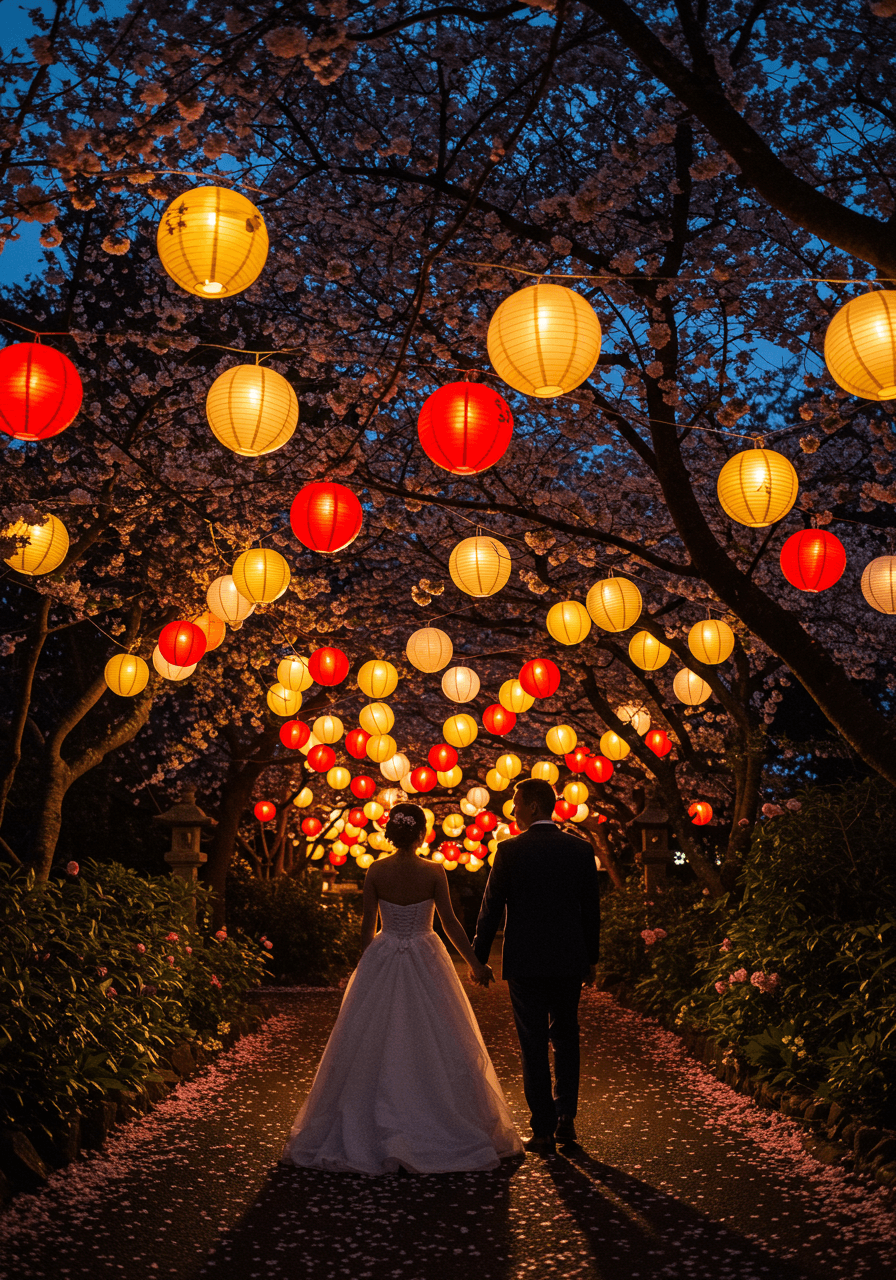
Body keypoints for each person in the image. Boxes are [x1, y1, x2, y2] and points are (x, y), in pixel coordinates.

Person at [281, 802, 523, 1174]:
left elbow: (366, 927)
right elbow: (451, 924)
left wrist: (368, 966)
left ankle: (371, 1124)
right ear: (421, 832)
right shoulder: (433, 871)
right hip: (427, 953)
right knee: (439, 1038)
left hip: (384, 950)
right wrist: (476, 964)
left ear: (390, 832)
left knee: (372, 1042)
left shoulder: (376, 870)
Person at [472, 777, 601, 1155]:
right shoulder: (579, 850)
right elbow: (591, 910)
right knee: (566, 1037)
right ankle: (566, 1120)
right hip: (567, 958)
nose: (512, 811)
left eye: (515, 803)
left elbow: (491, 906)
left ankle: (542, 1129)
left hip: (525, 960)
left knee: (532, 1043)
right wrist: (590, 958)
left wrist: (478, 958)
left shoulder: (509, 850)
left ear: (532, 806)